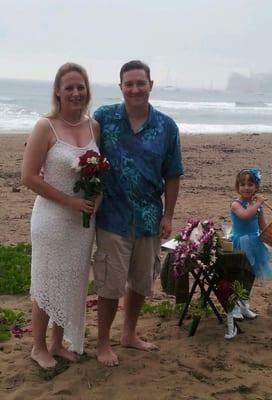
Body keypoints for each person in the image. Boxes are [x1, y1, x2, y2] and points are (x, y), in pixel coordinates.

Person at [93, 60, 183, 366]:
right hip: (111, 217)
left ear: (151, 85)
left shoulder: (167, 127)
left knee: (141, 282)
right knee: (109, 284)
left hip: (148, 217)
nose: (135, 89)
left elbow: (172, 175)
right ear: (120, 87)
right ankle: (103, 343)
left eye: (140, 83)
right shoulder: (103, 118)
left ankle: (129, 334)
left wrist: (168, 215)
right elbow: (78, 143)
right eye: (128, 84)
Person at [22, 62, 100, 369]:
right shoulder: (46, 126)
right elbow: (29, 177)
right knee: (47, 281)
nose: (76, 93)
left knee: (71, 282)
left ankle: (57, 342)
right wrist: (69, 201)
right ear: (58, 91)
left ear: (87, 90)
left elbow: (99, 173)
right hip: (52, 218)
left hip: (83, 221)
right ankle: (38, 346)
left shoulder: (94, 126)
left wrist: (97, 198)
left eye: (80, 87)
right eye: (69, 87)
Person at [225, 167, 272, 339]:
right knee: (240, 273)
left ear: (256, 187)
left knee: (251, 274)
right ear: (237, 187)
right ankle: (236, 305)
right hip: (240, 243)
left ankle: (244, 302)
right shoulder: (236, 204)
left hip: (255, 242)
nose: (246, 188)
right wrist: (258, 204)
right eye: (242, 184)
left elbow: (263, 226)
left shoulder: (258, 207)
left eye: (250, 184)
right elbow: (245, 216)